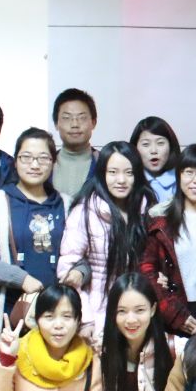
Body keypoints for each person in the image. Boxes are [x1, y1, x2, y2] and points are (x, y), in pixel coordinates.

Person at [0, 127, 69, 319]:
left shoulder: (66, 204)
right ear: (15, 162)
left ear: (53, 162)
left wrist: (79, 272)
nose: (35, 165)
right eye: (26, 157)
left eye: (43, 158)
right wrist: (21, 279)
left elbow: (82, 255)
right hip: (10, 309)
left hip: (58, 311)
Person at [58, 142, 145, 347]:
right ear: (102, 174)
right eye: (113, 172)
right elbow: (68, 271)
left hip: (135, 314)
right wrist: (86, 319)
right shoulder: (85, 211)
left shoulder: (146, 210)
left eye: (129, 173)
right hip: (96, 314)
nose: (121, 180)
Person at [140, 144, 196, 338]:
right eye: (189, 172)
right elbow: (147, 269)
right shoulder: (159, 218)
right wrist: (176, 315)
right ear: (179, 176)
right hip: (170, 313)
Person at [51, 88, 99, 200]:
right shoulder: (45, 164)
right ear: (56, 124)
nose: (75, 124)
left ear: (93, 122)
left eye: (82, 118)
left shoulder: (105, 164)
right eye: (67, 118)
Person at [130, 115, 181, 211]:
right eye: (146, 144)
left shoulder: (183, 180)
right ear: (135, 147)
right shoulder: (128, 181)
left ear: (171, 146)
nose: (153, 150)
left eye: (160, 143)